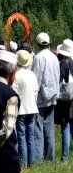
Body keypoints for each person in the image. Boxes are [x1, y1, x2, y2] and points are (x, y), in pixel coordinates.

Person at [31, 32, 60, 162]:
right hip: (53, 95)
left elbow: (36, 79)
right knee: (49, 128)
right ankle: (49, 157)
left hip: (41, 97)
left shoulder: (38, 58)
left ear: (38, 44)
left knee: (38, 128)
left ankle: (38, 158)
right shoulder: (54, 57)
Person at [12, 50, 38, 167]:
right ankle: (31, 163)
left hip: (21, 109)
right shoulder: (32, 75)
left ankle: (23, 162)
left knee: (21, 136)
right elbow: (36, 91)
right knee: (31, 136)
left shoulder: (16, 75)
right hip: (32, 108)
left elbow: (14, 93)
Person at [55, 39, 73, 162]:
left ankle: (65, 158)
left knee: (65, 127)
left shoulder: (63, 63)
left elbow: (59, 81)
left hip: (65, 100)